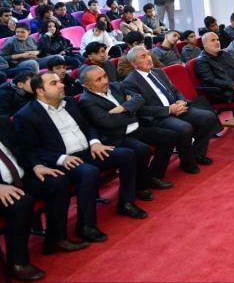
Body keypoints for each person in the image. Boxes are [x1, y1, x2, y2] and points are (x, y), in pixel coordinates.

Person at [14, 72, 147, 244]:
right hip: (63, 159)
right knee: (89, 172)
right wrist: (61, 158)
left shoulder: (70, 102)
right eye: (54, 83)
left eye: (60, 81)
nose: (62, 85)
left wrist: (94, 142)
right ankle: (85, 225)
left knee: (126, 155)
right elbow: (30, 150)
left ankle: (126, 202)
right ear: (40, 90)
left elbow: (88, 125)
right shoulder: (26, 115)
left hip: (88, 151)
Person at [0, 126, 89, 281]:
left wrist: (37, 165)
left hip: (20, 177)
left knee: (58, 181)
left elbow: (24, 149)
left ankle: (56, 239)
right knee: (22, 202)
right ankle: (17, 263)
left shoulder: (2, 122)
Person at [79, 66, 177, 196]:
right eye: (98, 79)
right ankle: (139, 186)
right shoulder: (87, 101)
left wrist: (123, 108)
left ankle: (153, 176)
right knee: (142, 149)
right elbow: (110, 122)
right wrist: (132, 110)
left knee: (169, 136)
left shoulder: (115, 86)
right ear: (87, 85)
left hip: (137, 128)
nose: (105, 81)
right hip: (118, 136)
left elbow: (139, 99)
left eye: (105, 76)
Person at [122, 46, 222, 172]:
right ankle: (187, 162)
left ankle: (197, 153)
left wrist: (182, 101)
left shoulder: (158, 72)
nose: (149, 58)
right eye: (143, 56)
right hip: (160, 116)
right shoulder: (129, 82)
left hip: (178, 107)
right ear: (134, 63)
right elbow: (141, 110)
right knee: (185, 128)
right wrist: (169, 110)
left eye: (148, 54)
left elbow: (175, 90)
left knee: (209, 117)